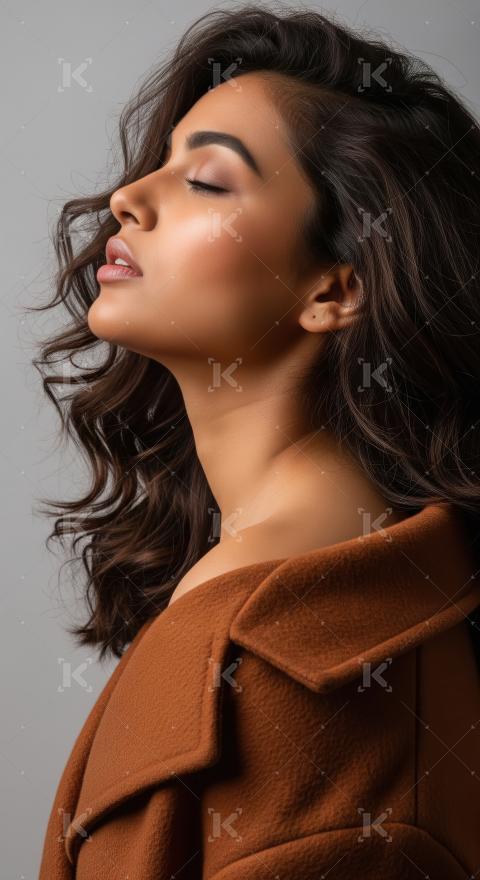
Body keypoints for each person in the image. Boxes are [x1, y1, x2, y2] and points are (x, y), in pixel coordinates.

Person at [35, 4, 480, 877]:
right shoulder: (278, 605)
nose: (126, 198)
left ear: (335, 290)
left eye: (207, 181)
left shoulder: (306, 701)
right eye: (159, 165)